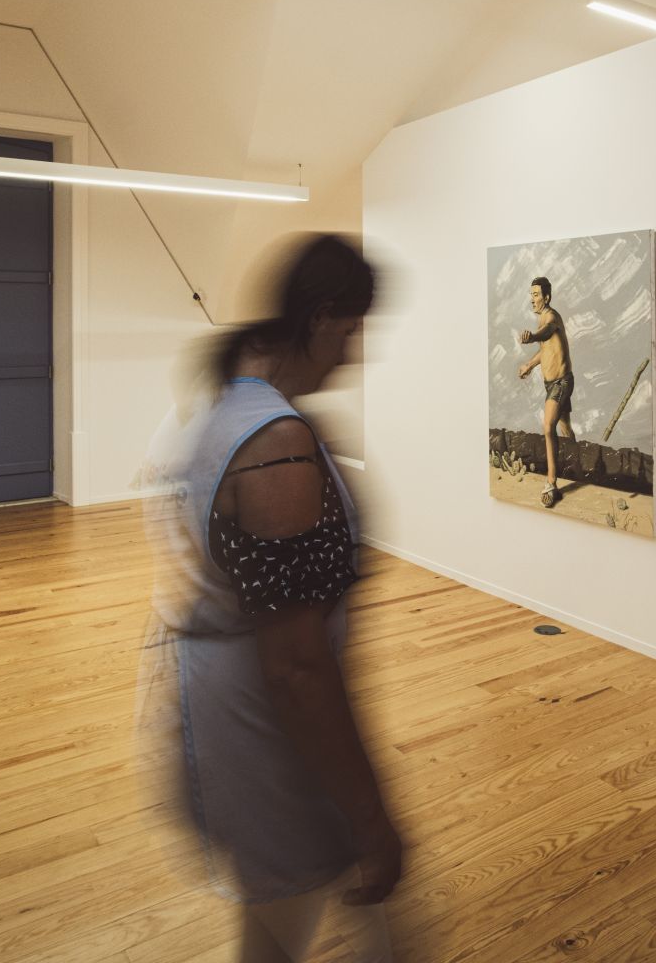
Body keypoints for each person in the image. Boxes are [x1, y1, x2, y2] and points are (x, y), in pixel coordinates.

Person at [149, 234, 398, 962]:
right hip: (269, 724)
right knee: (286, 918)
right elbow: (296, 666)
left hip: (233, 704)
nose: (353, 355)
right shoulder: (275, 443)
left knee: (288, 915)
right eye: (351, 331)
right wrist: (374, 819)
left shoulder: (231, 398)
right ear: (319, 319)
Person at [516, 276, 577, 507]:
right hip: (552, 385)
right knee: (565, 428)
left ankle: (551, 483)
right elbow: (547, 350)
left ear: (546, 297)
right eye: (531, 295)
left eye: (536, 295)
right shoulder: (542, 318)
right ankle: (577, 462)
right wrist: (529, 365)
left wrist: (532, 337)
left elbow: (547, 332)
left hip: (561, 383)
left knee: (547, 427)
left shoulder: (551, 317)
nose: (532, 299)